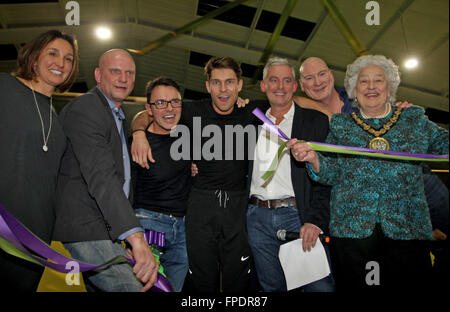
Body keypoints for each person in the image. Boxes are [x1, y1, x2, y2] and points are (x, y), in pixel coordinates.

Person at [288, 54, 449, 291]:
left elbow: (444, 143)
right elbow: (330, 172)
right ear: (354, 88)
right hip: (352, 234)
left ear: (390, 86)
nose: (371, 87)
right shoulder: (342, 125)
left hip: (408, 230)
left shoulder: (413, 119)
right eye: (364, 81)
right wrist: (313, 158)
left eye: (378, 80)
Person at [130, 56, 262, 292]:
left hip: (238, 207)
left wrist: (330, 107)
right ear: (207, 85)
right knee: (201, 280)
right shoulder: (191, 110)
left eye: (230, 82)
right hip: (200, 206)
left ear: (240, 85)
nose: (223, 90)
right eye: (217, 82)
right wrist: (139, 132)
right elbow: (149, 113)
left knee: (237, 279)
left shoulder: (252, 111)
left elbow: (290, 102)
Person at [52, 49, 158, 292]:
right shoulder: (87, 107)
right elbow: (102, 177)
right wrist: (136, 238)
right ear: (98, 75)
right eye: (115, 71)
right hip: (87, 227)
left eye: (129, 73)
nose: (123, 78)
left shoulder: (115, 116)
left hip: (108, 228)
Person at [247, 57, 335, 292]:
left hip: (299, 215)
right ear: (263, 85)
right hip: (256, 218)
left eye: (287, 80)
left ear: (295, 87)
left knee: (319, 287)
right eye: (273, 80)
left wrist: (315, 220)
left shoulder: (315, 122)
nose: (280, 86)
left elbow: (327, 175)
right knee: (272, 287)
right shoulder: (248, 119)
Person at [0, 30, 79, 292]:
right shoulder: (5, 87)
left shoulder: (57, 118)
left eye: (69, 59)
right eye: (53, 53)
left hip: (33, 240)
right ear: (34, 58)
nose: (61, 63)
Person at [132, 76, 190, 292]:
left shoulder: (188, 137)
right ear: (149, 108)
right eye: (160, 103)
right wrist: (138, 133)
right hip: (148, 225)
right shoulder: (138, 144)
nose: (169, 108)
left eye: (174, 102)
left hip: (182, 231)